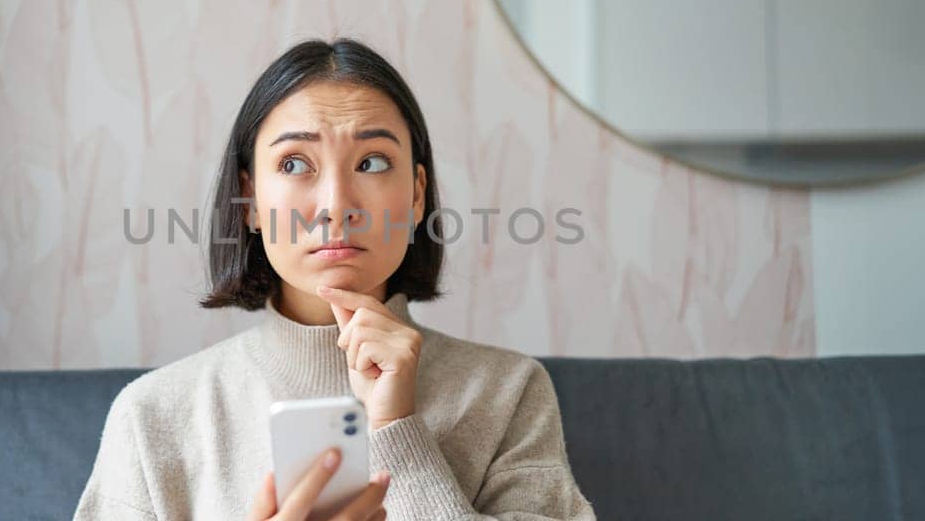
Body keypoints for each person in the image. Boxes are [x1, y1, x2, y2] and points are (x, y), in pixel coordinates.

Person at [74, 38, 596, 520]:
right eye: (296, 163)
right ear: (250, 198)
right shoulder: (153, 417)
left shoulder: (508, 393)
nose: (336, 205)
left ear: (416, 196)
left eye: (371, 162)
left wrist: (399, 434)